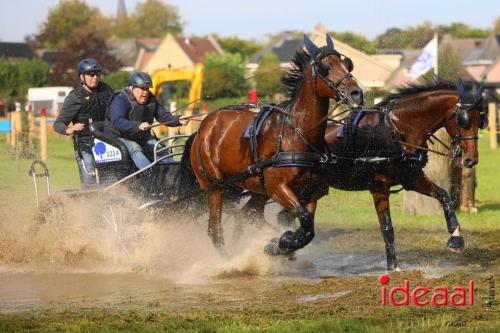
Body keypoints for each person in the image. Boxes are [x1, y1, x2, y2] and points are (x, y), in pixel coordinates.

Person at [105, 71, 188, 173]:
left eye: (147, 89)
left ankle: (174, 175)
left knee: (160, 148)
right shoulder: (120, 99)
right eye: (142, 88)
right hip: (119, 136)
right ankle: (151, 177)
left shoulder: (151, 99)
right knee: (136, 149)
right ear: (132, 87)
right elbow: (117, 121)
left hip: (140, 136)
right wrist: (138, 126)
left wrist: (177, 120)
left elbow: (163, 116)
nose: (145, 92)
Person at [53, 58, 113, 189]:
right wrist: (68, 130)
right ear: (82, 76)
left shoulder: (106, 90)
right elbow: (58, 123)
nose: (95, 78)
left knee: (111, 178)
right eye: (91, 75)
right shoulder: (75, 97)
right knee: (90, 177)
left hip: (107, 141)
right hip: (85, 143)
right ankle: (86, 207)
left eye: (97, 74)